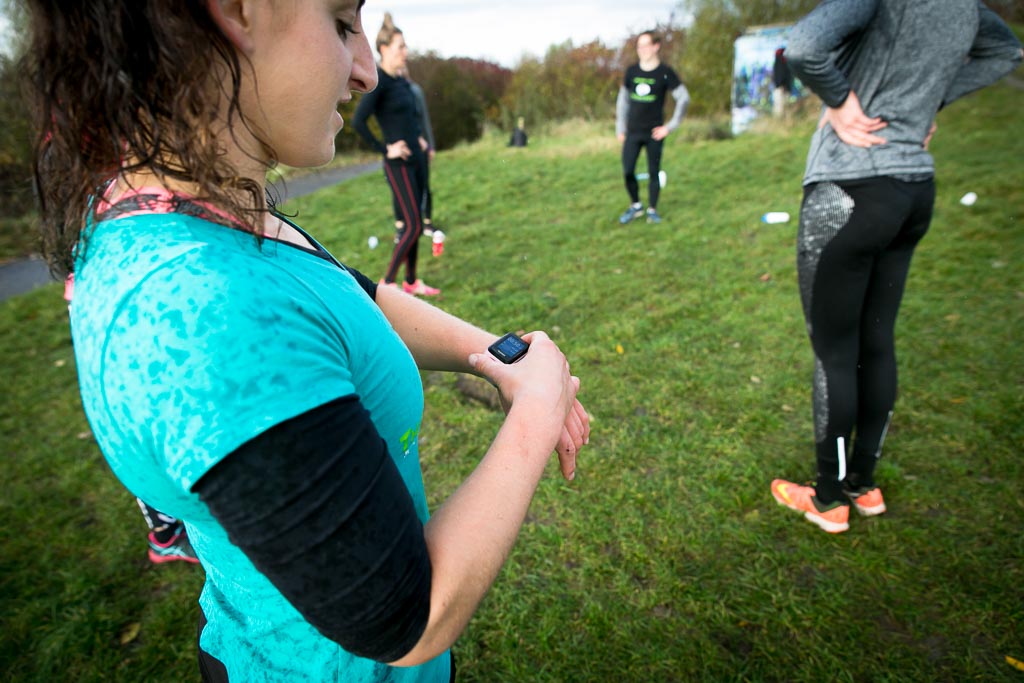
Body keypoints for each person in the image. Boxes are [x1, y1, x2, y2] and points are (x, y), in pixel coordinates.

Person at [26, 3, 590, 682]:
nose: (365, 72)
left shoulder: (182, 202)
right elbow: (411, 615)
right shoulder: (206, 315)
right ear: (237, 11)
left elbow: (345, 293)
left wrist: (502, 357)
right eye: (341, 21)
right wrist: (537, 406)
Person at [770, 0, 1022, 533]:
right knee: (877, 341)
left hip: (852, 189)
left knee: (836, 352)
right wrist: (927, 102)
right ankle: (863, 483)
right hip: (912, 191)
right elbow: (1006, 49)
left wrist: (840, 102)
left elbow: (804, 46)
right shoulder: (965, 7)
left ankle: (829, 498)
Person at [64, 274, 199, 565]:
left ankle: (183, 517)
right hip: (108, 302)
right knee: (143, 430)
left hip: (118, 296)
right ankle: (166, 537)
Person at [353, 13, 439, 295]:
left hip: (417, 160)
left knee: (415, 226)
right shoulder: (381, 84)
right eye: (400, 46)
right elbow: (358, 122)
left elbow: (410, 118)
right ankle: (386, 286)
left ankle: (411, 282)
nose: (405, 52)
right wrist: (385, 148)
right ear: (384, 49)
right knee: (413, 226)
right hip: (397, 164)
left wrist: (420, 140)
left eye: (405, 46)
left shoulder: (402, 82)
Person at [615, 30, 689, 225]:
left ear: (656, 47)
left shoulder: (665, 72)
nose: (643, 50)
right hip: (632, 131)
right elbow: (622, 101)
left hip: (654, 133)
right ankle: (636, 206)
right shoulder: (632, 72)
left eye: (646, 45)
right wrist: (620, 127)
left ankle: (653, 210)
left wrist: (670, 127)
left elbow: (683, 98)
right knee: (628, 170)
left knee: (653, 171)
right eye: (639, 46)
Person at [771, 47, 793, 119]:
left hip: (781, 87)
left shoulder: (780, 62)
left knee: (781, 106)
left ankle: (782, 121)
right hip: (781, 87)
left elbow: (780, 74)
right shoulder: (784, 62)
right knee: (781, 106)